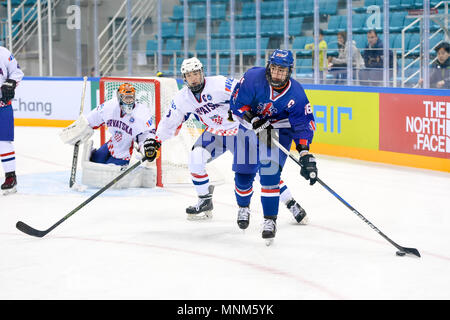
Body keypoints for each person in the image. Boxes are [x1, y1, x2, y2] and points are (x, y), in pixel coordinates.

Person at [143, 57, 309, 223]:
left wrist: (258, 118)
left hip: (240, 131)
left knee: (262, 172)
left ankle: (290, 202)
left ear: (202, 73)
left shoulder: (220, 84)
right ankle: (204, 200)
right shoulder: (182, 98)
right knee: (195, 159)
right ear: (184, 78)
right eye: (189, 75)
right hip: (214, 134)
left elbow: (248, 93)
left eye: (196, 73)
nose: (194, 78)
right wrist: (156, 141)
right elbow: (171, 119)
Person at [229, 49, 317, 244]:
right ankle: (243, 207)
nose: (277, 73)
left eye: (282, 70)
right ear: (269, 66)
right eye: (274, 68)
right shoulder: (253, 77)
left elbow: (302, 125)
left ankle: (270, 220)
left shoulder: (297, 93)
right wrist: (253, 120)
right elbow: (236, 103)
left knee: (270, 174)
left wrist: (304, 154)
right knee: (243, 176)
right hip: (249, 127)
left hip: (278, 131)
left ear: (289, 71)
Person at [59, 83, 159, 186]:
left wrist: (147, 147)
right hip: (111, 144)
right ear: (119, 97)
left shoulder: (141, 113)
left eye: (131, 97)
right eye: (126, 98)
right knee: (94, 162)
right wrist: (81, 129)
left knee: (107, 174)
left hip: (123, 153)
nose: (129, 101)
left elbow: (146, 135)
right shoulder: (109, 107)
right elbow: (92, 120)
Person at [0, 46, 24, 195]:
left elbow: (17, 72)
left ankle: (10, 177)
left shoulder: (3, 53)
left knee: (3, 142)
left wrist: (11, 82)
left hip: (2, 106)